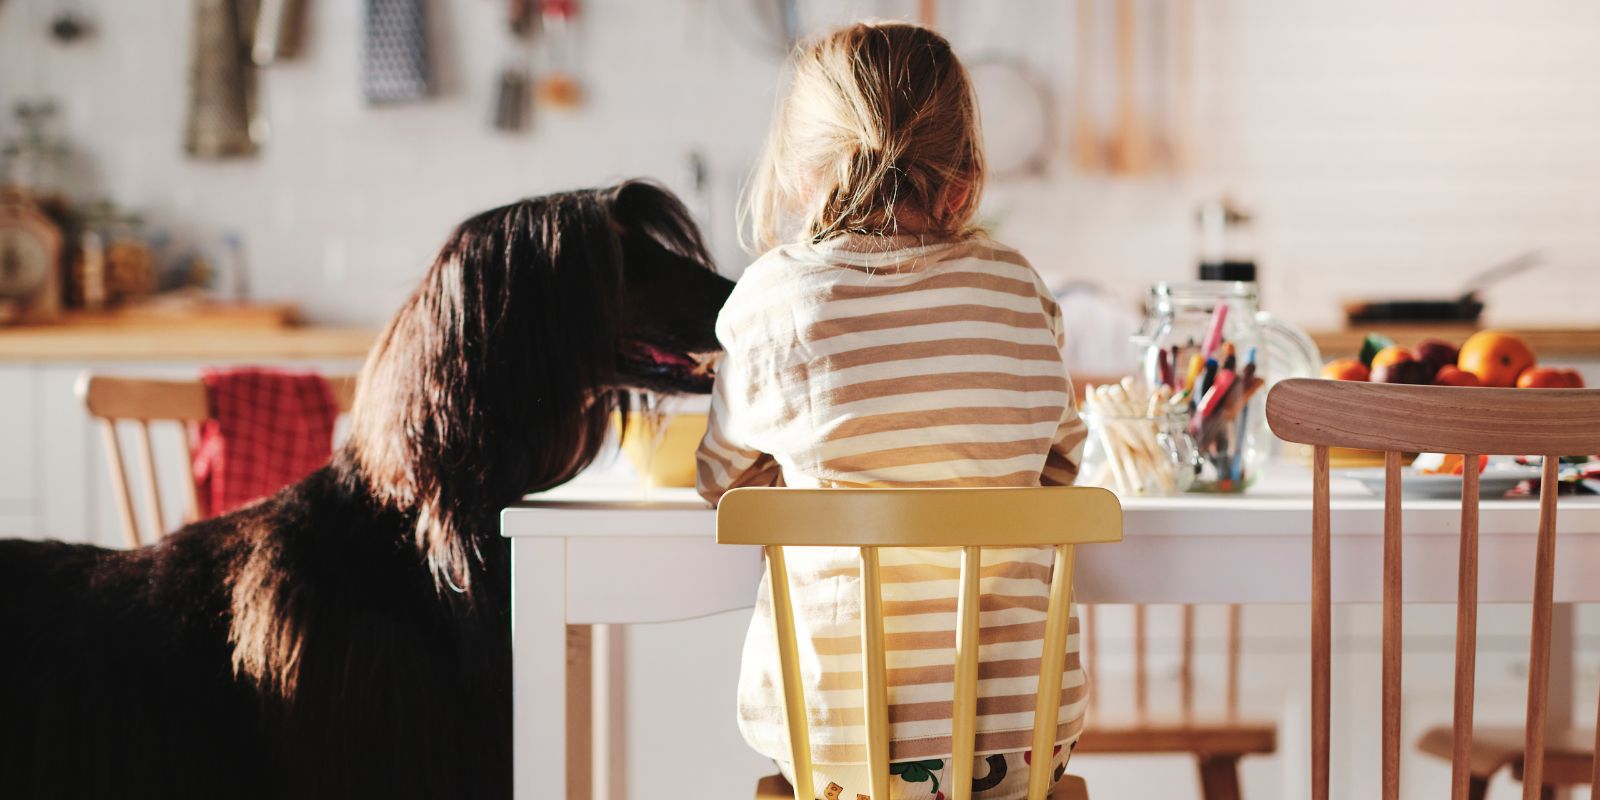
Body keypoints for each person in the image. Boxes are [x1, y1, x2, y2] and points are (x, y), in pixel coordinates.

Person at [696, 22, 1089, 800]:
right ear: (964, 179)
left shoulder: (772, 301)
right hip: (1020, 751)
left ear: (802, 175)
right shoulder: (1015, 290)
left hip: (837, 757)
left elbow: (723, 482)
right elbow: (1065, 465)